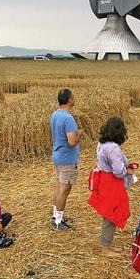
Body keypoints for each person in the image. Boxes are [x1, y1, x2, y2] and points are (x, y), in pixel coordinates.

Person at [88, 116, 136, 257]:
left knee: (109, 213)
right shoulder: (113, 148)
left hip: (104, 181)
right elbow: (118, 172)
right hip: (112, 184)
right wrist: (128, 171)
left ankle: (107, 245)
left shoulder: (102, 143)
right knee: (111, 214)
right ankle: (105, 249)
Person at [50, 88, 82, 230]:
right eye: (73, 97)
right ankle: (58, 221)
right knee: (65, 189)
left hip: (58, 156)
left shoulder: (55, 114)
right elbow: (72, 141)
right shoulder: (68, 118)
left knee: (59, 186)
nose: (74, 99)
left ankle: (56, 215)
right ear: (69, 100)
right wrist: (79, 134)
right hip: (67, 159)